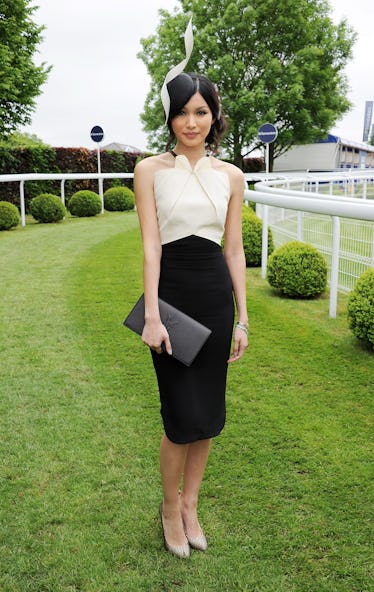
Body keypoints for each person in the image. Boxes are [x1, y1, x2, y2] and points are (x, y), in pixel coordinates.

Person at [134, 36, 248, 558]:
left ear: (214, 116)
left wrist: (243, 319)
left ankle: (191, 505)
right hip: (172, 302)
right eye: (182, 112)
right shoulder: (149, 171)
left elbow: (234, 251)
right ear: (170, 118)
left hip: (216, 301)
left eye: (201, 111)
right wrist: (152, 317)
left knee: (207, 415)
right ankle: (167, 506)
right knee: (180, 417)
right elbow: (151, 247)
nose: (191, 122)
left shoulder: (232, 176)